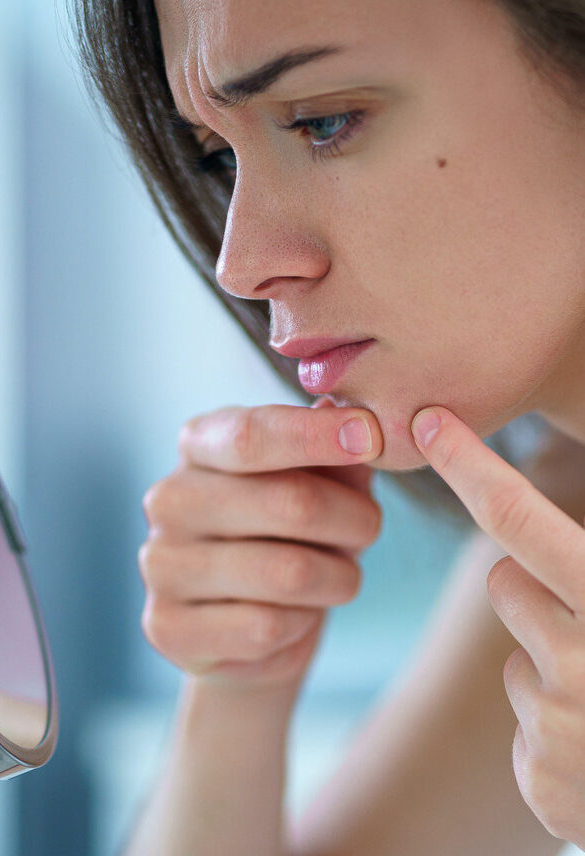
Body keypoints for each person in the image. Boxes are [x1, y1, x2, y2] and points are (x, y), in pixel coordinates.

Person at [70, 1, 585, 853]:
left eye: (323, 122)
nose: (241, 263)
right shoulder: (553, 546)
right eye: (219, 161)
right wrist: (235, 689)